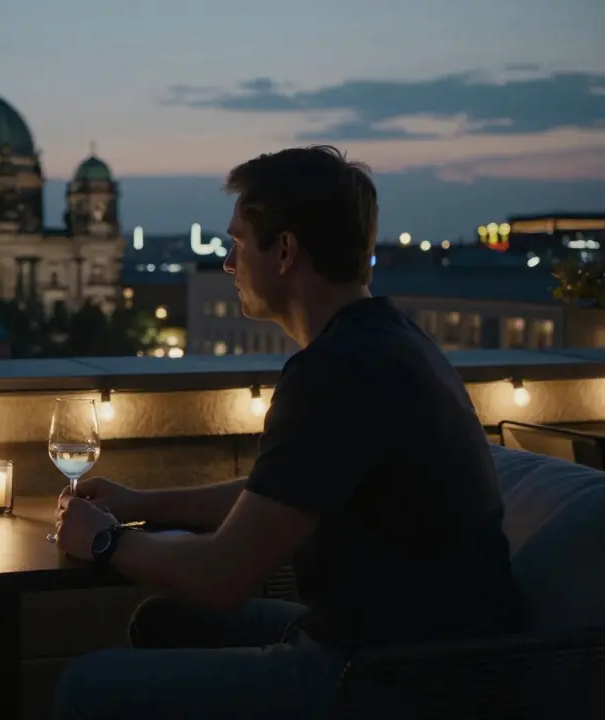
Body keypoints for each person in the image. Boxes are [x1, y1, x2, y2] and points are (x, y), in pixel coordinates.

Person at [52, 146, 520, 719]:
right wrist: (142, 503)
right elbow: (282, 493)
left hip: (392, 678)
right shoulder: (388, 340)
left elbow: (223, 576)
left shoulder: (337, 371)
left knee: (85, 687)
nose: (228, 263)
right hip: (432, 650)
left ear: (285, 250)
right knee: (165, 620)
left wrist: (105, 541)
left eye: (237, 242)